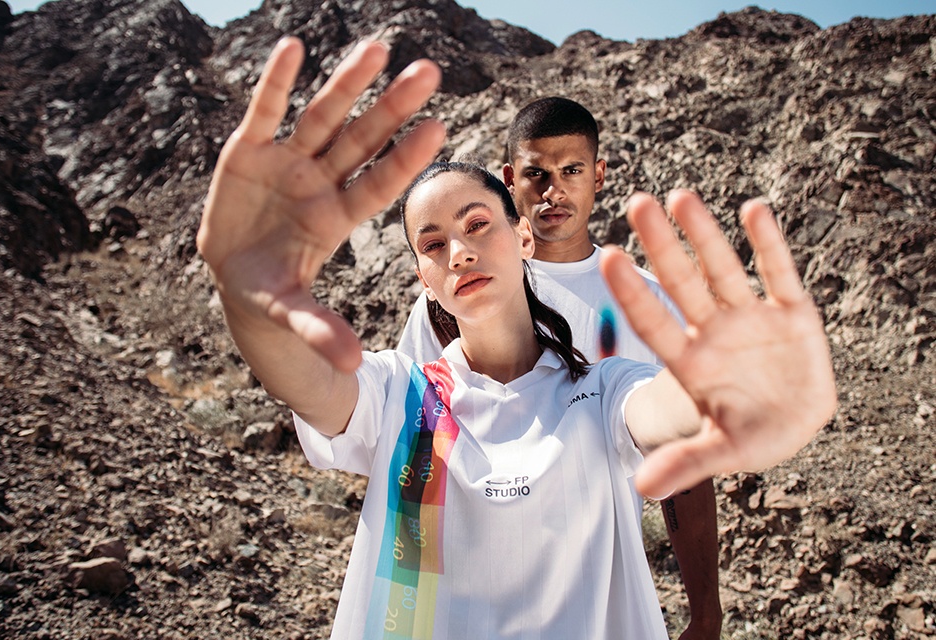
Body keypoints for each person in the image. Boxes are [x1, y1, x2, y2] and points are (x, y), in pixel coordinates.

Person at [196, 37, 837, 639]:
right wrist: (245, 295)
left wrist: (741, 389)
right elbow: (311, 386)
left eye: (477, 224)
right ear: (423, 279)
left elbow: (671, 414)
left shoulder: (605, 390)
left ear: (521, 235)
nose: (459, 253)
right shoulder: (399, 389)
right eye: (433, 244)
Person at [396, 97, 722, 638]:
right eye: (536, 174)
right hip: (469, 598)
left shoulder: (649, 305)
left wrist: (706, 611)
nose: (554, 191)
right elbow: (413, 457)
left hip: (598, 594)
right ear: (509, 180)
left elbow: (684, 467)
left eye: (571, 171)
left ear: (598, 175)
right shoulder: (453, 299)